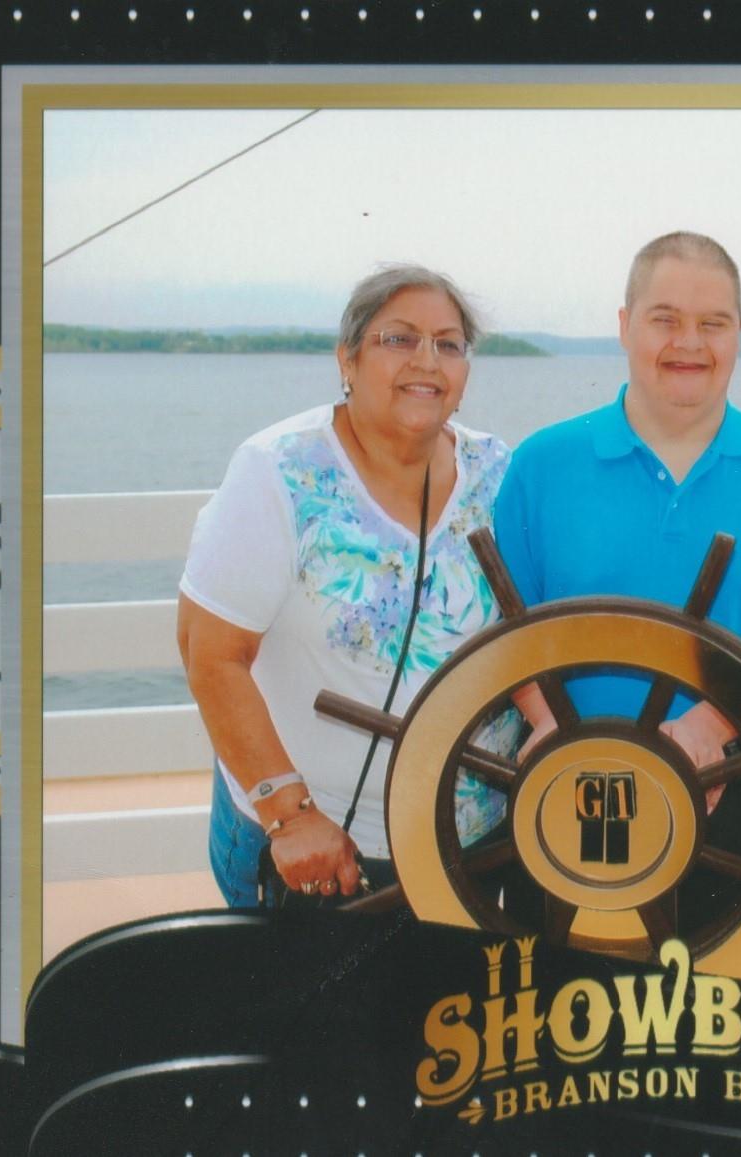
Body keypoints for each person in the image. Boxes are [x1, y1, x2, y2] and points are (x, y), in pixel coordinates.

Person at [493, 231, 741, 935]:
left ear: (739, 335)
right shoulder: (541, 464)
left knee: (723, 1035)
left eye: (712, 322)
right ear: (624, 325)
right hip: (563, 790)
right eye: (665, 319)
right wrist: (554, 727)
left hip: (739, 794)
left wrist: (704, 731)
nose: (690, 342)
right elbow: (507, 628)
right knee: (557, 1029)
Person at [177, 264, 517, 905]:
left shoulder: (499, 472)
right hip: (318, 847)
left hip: (468, 851)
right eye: (399, 339)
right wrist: (289, 814)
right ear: (348, 359)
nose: (428, 360)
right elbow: (209, 649)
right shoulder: (280, 470)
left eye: (449, 344)